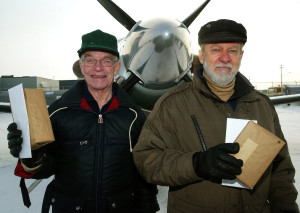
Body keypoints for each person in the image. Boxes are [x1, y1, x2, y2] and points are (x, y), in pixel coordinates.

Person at [132, 19, 299, 212]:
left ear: (241, 55)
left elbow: (280, 169)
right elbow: (147, 161)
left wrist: (287, 208)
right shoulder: (172, 104)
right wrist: (196, 164)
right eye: (216, 50)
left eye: (233, 51)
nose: (225, 58)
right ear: (201, 56)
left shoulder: (263, 105)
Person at [7, 29, 159, 213]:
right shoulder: (58, 112)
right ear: (82, 66)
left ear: (116, 67)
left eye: (106, 61)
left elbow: (143, 172)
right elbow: (45, 168)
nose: (98, 68)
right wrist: (31, 154)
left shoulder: (133, 116)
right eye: (90, 60)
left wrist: (148, 207)